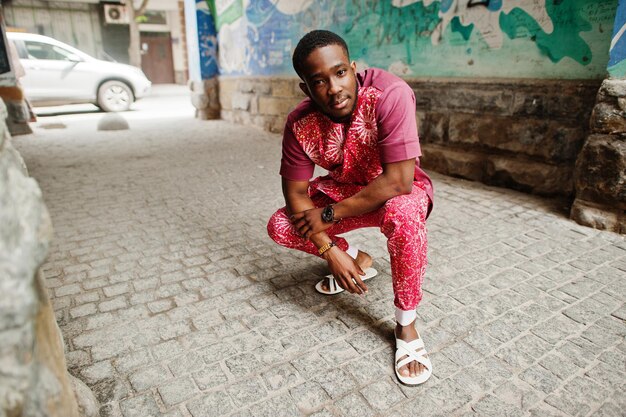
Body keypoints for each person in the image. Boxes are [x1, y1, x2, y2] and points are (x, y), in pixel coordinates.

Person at [267, 30, 433, 386]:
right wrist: (330, 251)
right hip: (343, 192)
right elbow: (295, 194)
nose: (334, 88)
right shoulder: (300, 123)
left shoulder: (389, 94)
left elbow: (399, 181)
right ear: (306, 90)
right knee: (281, 225)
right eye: (319, 81)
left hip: (393, 192)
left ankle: (406, 325)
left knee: (403, 213)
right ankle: (357, 259)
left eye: (340, 73)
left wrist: (328, 216)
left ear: (354, 69)